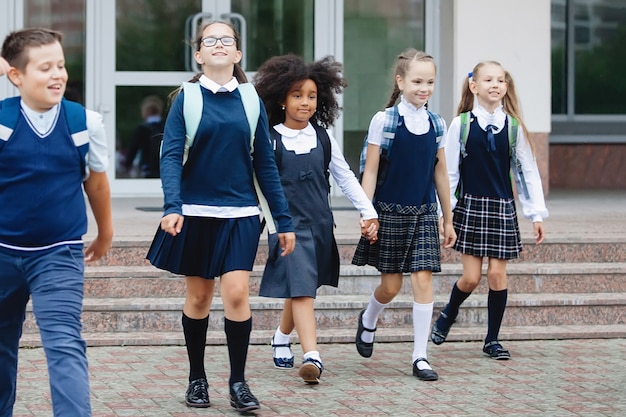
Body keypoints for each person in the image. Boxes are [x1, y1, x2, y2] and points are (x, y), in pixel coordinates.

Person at [146, 21, 295, 413]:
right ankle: (197, 378)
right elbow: (171, 156)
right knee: (198, 297)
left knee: (236, 293)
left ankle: (238, 382)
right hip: (195, 213)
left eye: (225, 40)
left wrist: (283, 220)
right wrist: (172, 206)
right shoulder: (188, 99)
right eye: (209, 40)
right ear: (199, 55)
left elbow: (265, 163)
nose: (217, 44)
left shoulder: (250, 100)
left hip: (241, 213)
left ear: (237, 54)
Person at [0, 28, 113, 416]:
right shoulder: (1, 121)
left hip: (58, 253)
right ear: (16, 75)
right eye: (44, 67)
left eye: (61, 65)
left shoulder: (85, 122)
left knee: (64, 342)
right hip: (1, 253)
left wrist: (105, 232)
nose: (57, 75)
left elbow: (96, 182)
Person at [253, 54, 379, 384]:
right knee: (303, 291)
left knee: (302, 289)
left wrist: (368, 211)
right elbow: (257, 186)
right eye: (297, 95)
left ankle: (281, 336)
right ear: (281, 99)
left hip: (321, 224)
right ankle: (313, 357)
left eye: (311, 96)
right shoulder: (269, 139)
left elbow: (346, 177)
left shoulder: (323, 137)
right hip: (286, 229)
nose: (305, 102)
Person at [430, 61, 548, 359]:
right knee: (470, 278)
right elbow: (450, 173)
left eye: (500, 80)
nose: (495, 85)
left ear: (506, 87)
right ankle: (449, 312)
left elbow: (527, 171)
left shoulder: (513, 127)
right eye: (488, 80)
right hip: (471, 207)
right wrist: (447, 215)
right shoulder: (462, 124)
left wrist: (536, 214)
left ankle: (492, 340)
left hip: (502, 208)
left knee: (497, 275)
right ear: (474, 86)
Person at [351, 49, 456, 381]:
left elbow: (441, 173)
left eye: (430, 82)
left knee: (423, 279)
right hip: (389, 212)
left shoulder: (437, 122)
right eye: (417, 81)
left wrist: (447, 217)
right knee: (391, 287)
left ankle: (419, 357)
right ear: (401, 81)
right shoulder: (385, 120)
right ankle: (369, 318)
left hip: (424, 212)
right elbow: (370, 172)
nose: (424, 88)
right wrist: (367, 213)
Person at [124, 95, 165, 178]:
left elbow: (133, 148)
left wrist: (127, 166)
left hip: (147, 167)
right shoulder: (166, 126)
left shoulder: (143, 128)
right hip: (163, 166)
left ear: (147, 111)